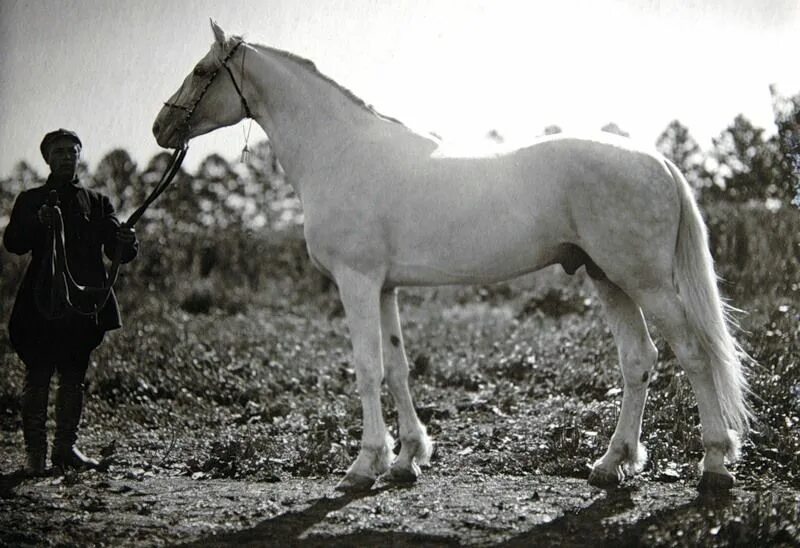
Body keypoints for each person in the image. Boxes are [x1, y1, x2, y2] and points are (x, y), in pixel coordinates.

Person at [3, 129, 138, 475]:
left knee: (74, 375)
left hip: (82, 303)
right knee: (38, 374)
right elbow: (14, 243)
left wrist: (126, 240)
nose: (66, 156)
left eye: (72, 151)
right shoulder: (31, 199)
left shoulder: (97, 202)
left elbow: (115, 250)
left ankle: (65, 449)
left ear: (80, 156)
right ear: (47, 158)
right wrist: (38, 224)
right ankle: (35, 455)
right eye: (58, 151)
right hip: (41, 302)